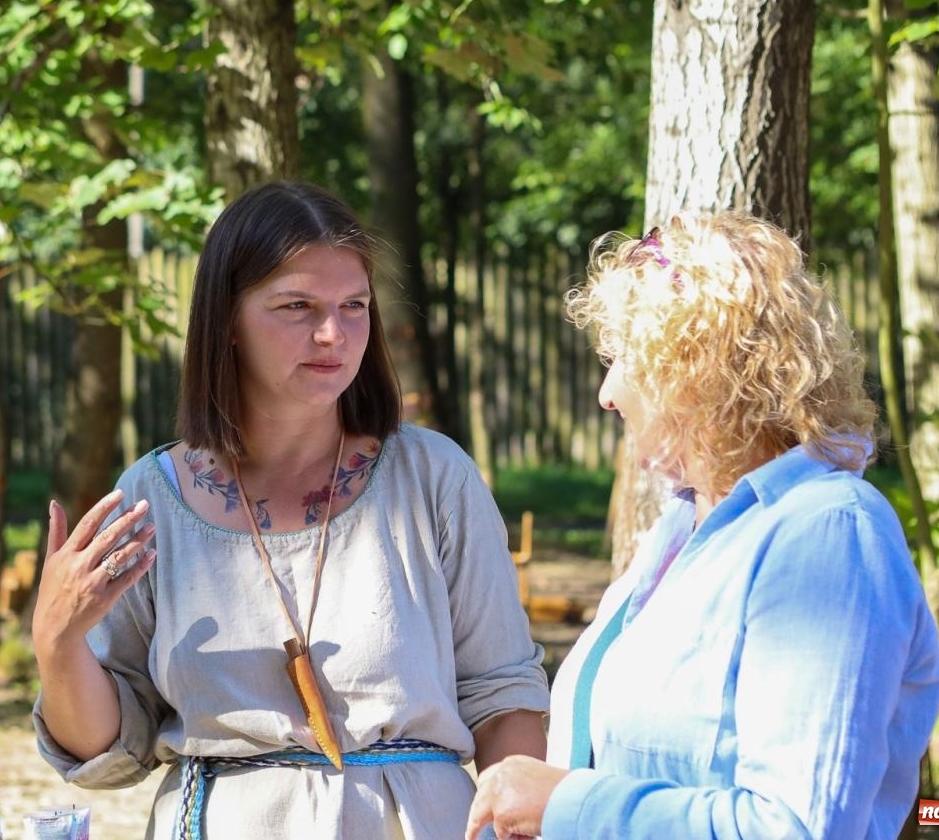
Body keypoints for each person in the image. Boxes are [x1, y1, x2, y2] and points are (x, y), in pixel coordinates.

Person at [31, 180, 550, 839]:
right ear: (228, 322)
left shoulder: (431, 477)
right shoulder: (149, 499)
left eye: (354, 305)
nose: (333, 333)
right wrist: (58, 642)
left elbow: (504, 696)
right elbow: (111, 750)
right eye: (297, 306)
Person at [466, 212, 939, 840]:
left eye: (623, 359)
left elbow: (800, 828)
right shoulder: (683, 529)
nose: (608, 393)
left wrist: (566, 806)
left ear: (698, 371)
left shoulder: (827, 533)